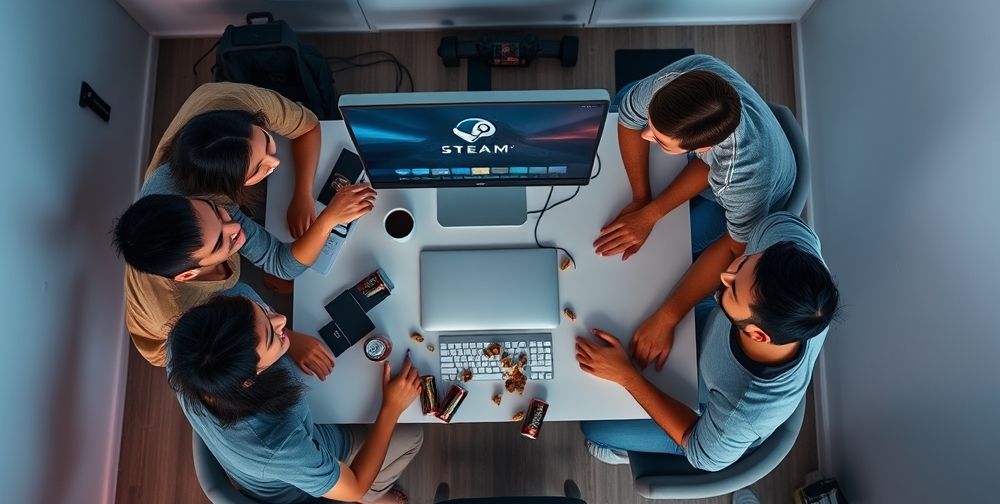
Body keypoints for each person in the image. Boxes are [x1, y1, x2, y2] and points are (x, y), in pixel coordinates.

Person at [577, 212, 839, 472]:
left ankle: (622, 450)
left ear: (758, 335)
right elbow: (731, 248)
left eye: (734, 289)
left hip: (710, 410)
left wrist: (627, 376)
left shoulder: (744, 412)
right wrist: (667, 317)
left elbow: (699, 452)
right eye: (746, 261)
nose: (725, 276)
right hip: (713, 326)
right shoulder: (790, 244)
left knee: (593, 428)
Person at [594, 55, 796, 369]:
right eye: (653, 125)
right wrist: (642, 201)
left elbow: (734, 246)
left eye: (659, 140)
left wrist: (667, 317)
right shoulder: (683, 78)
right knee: (625, 101)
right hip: (727, 160)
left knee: (669, 256)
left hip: (756, 194)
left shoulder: (742, 179)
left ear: (700, 148)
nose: (647, 134)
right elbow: (630, 121)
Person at [168, 284, 423, 504]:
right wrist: (391, 407)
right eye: (270, 336)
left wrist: (289, 339)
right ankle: (367, 500)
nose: (281, 319)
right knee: (412, 434)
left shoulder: (185, 346)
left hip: (284, 449)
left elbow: (257, 310)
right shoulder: (279, 444)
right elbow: (355, 484)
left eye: (264, 311)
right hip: (305, 475)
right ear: (248, 380)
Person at [113, 189, 373, 369]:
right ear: (189, 274)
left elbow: (278, 261)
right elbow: (228, 348)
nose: (236, 227)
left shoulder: (192, 207)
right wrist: (289, 339)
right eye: (220, 243)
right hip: (175, 339)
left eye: (218, 212)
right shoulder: (180, 313)